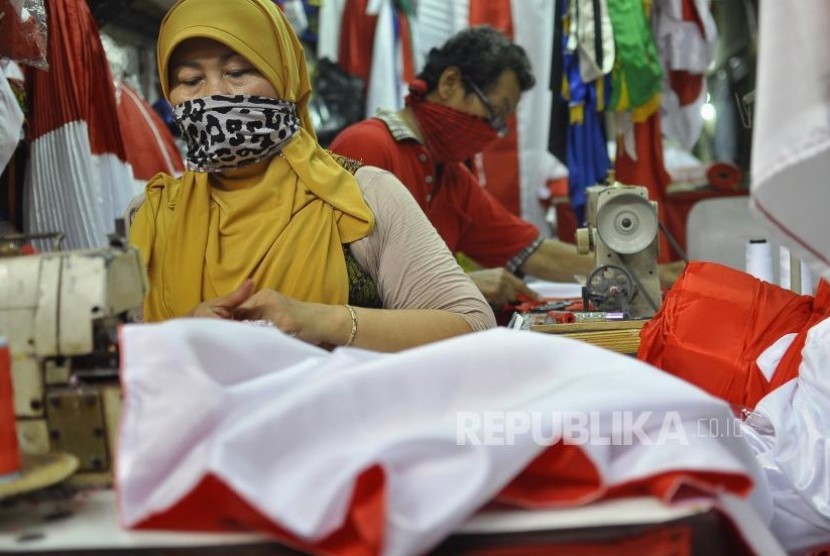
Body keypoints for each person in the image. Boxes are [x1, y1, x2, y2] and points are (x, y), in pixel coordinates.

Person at [127, 0, 495, 352]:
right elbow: (118, 365)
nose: (215, 95)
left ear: (285, 75)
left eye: (237, 72)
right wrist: (182, 336)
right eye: (190, 80)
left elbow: (474, 325)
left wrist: (327, 322)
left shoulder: (360, 198)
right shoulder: (150, 216)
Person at [330, 27, 684, 308]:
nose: (492, 132)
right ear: (450, 83)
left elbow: (533, 252)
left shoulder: (451, 176)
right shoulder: (367, 147)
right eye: (494, 112)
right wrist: (463, 285)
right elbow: (338, 282)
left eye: (502, 122)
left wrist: (640, 271)